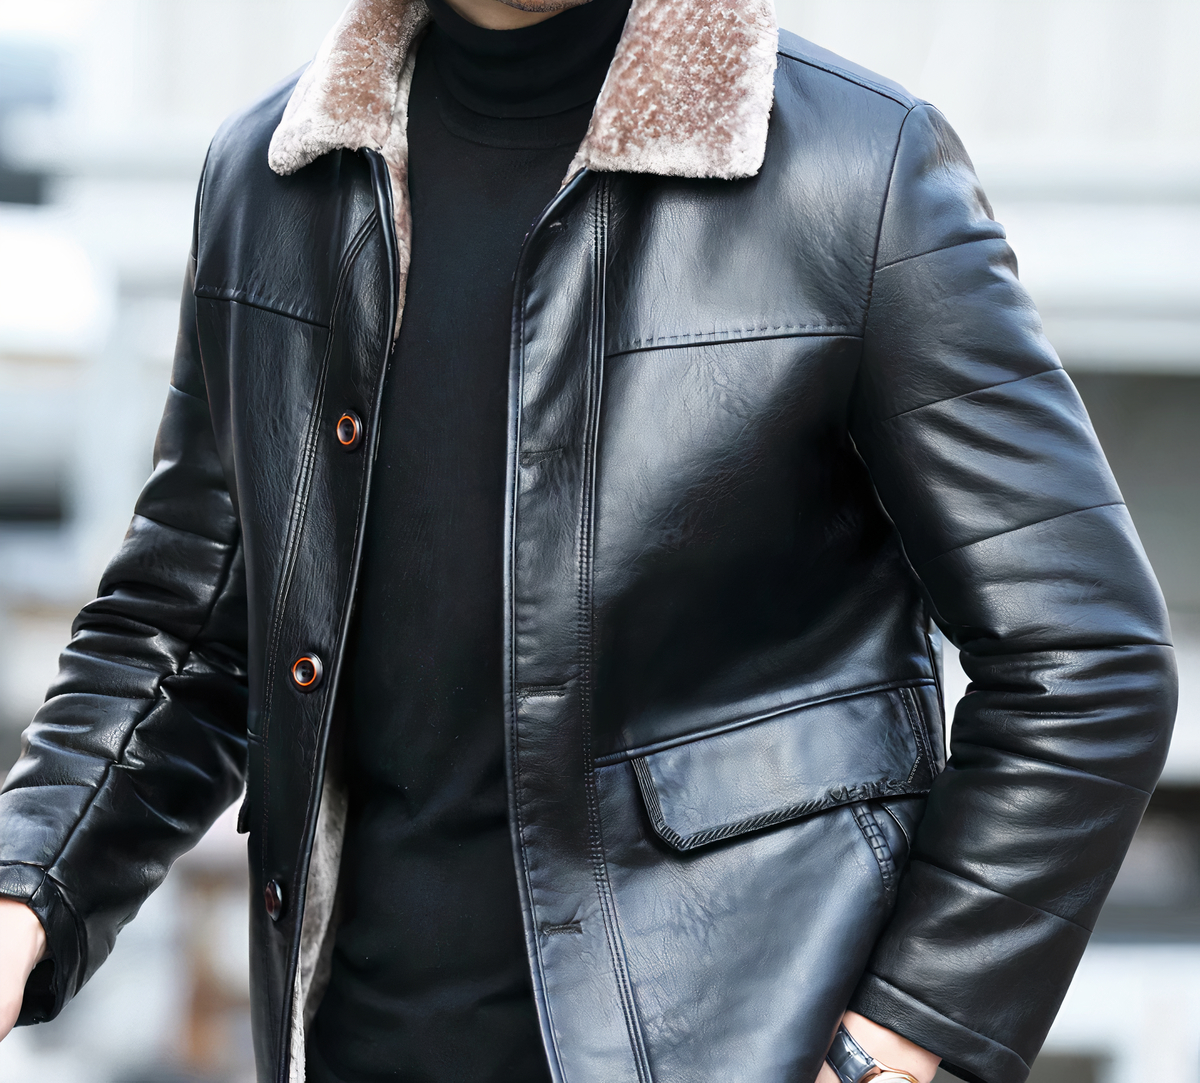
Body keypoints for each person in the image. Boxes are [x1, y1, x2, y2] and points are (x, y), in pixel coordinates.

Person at [0, 0, 1178, 1079]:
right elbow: (184, 638)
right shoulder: (273, 182)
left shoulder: (857, 174)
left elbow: (1086, 655)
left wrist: (900, 1047)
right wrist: (22, 896)